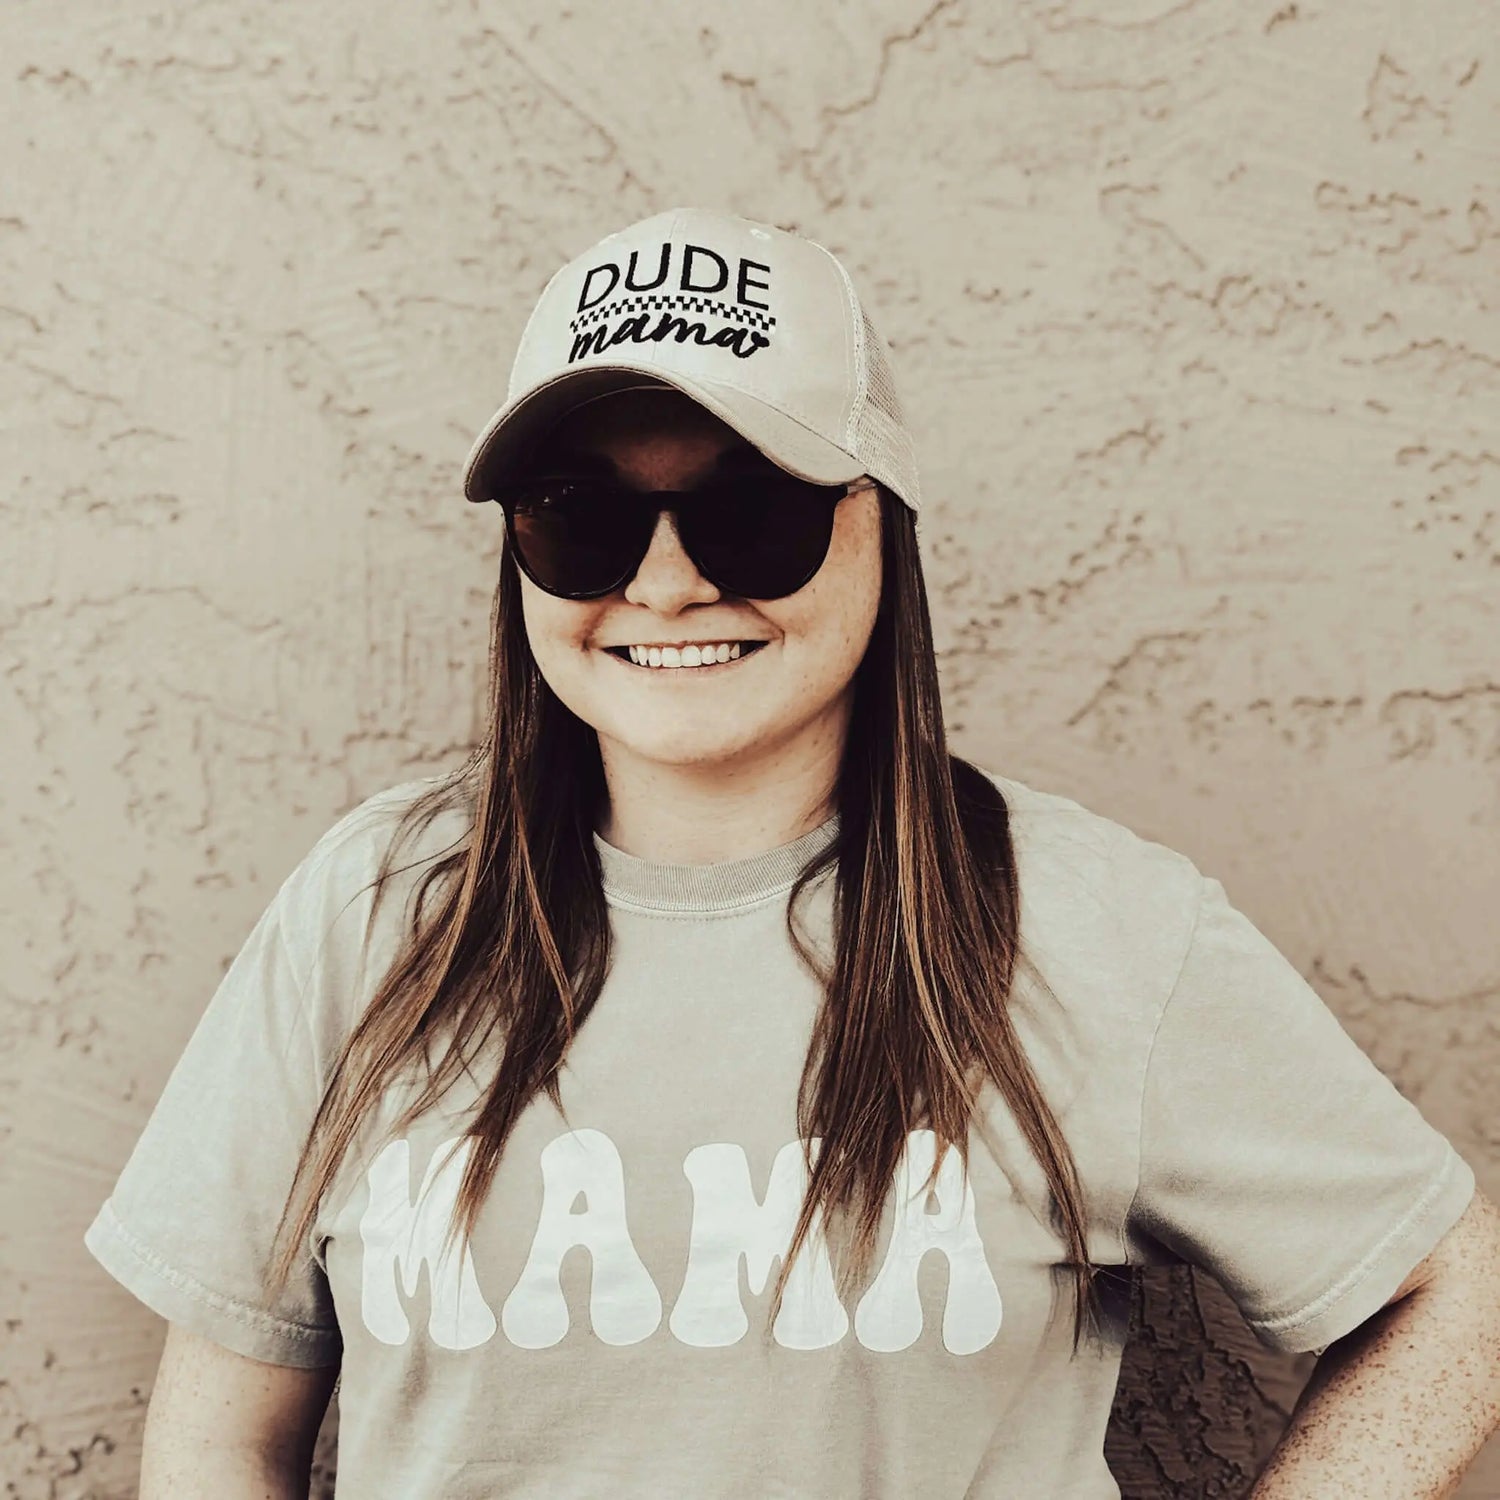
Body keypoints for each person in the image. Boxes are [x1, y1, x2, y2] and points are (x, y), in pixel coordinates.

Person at [84, 207, 1476, 1499]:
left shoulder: (1095, 926)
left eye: (754, 506)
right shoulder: (381, 912)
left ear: (883, 525)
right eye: (582, 514)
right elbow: (220, 1432)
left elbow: (1454, 1295)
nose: (669, 579)